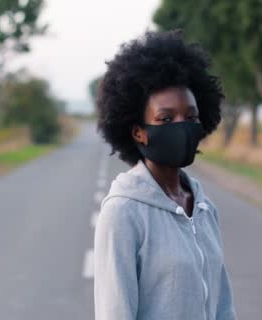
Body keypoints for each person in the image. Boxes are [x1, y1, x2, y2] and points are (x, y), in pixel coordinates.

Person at [94, 30, 236, 320]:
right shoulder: (123, 212)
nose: (182, 127)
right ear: (138, 132)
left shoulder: (204, 208)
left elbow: (223, 307)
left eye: (191, 116)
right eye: (166, 118)